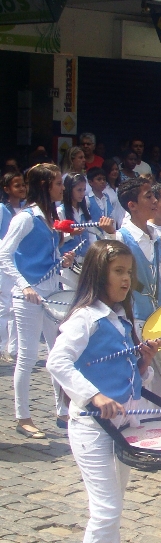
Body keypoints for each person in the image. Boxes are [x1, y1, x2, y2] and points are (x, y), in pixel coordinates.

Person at [46, 239, 161, 543]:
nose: (126, 279)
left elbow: (127, 377)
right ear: (99, 274)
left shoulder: (120, 319)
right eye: (118, 272)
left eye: (129, 272)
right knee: (106, 508)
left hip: (123, 426)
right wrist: (94, 396)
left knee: (115, 505)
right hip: (92, 428)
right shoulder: (84, 319)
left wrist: (143, 362)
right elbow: (57, 363)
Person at [0, 164, 76, 438]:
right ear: (45, 185)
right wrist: (24, 286)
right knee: (28, 356)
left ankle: (63, 411)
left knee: (58, 354)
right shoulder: (25, 218)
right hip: (28, 297)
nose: (62, 188)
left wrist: (62, 259)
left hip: (52, 294)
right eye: (58, 183)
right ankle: (23, 417)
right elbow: (4, 254)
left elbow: (46, 252)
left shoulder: (50, 216)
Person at [115, 178, 161, 325]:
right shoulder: (121, 238)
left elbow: (158, 282)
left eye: (154, 196)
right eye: (148, 196)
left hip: (158, 316)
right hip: (134, 319)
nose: (154, 200)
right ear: (132, 205)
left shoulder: (156, 236)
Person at [58, 174, 116, 286]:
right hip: (69, 264)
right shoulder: (61, 211)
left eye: (84, 190)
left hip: (85, 261)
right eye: (79, 190)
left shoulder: (84, 211)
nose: (82, 193)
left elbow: (91, 235)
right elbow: (57, 238)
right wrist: (71, 234)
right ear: (69, 190)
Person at [0, 171, 26, 360]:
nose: (22, 188)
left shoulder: (26, 210)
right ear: (7, 189)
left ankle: (14, 348)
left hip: (21, 263)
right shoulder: (3, 209)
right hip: (5, 263)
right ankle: (1, 347)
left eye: (23, 185)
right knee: (4, 306)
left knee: (17, 307)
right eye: (17, 186)